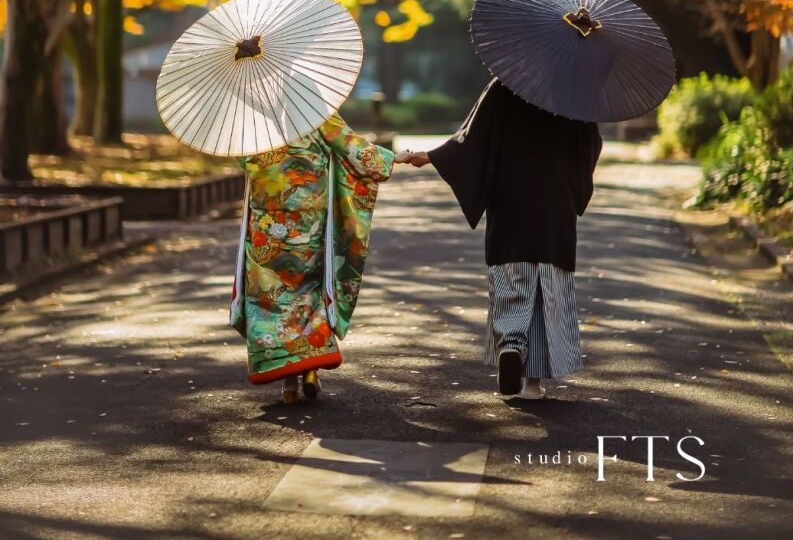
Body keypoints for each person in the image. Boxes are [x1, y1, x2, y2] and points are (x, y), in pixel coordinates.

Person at [401, 78, 602, 400]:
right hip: (555, 202)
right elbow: (591, 146)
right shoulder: (575, 92)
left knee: (512, 272)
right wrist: (574, 187)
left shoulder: (507, 86)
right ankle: (534, 384)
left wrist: (432, 157)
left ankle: (511, 342)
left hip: (511, 197)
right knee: (547, 285)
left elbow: (471, 140)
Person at [230, 112, 398, 403]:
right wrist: (397, 158)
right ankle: (310, 369)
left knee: (269, 296)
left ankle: (289, 383)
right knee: (308, 290)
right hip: (306, 225)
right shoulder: (317, 114)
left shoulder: (252, 121)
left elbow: (240, 159)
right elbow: (353, 148)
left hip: (266, 225)